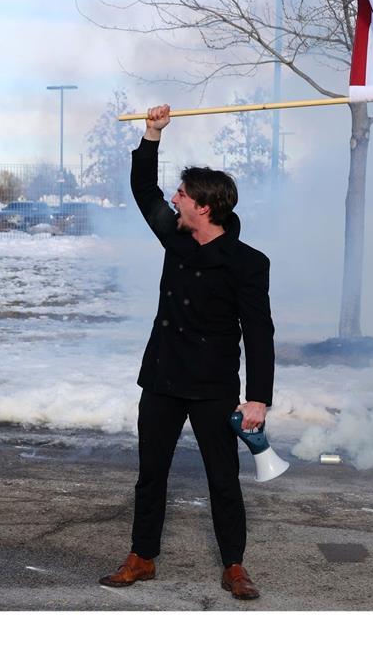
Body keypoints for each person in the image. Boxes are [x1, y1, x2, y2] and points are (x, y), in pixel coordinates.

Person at [99, 104, 275, 600]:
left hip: (213, 386)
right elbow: (143, 189)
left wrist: (258, 398)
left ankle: (234, 565)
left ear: (206, 207)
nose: (174, 199)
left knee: (223, 479)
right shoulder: (175, 238)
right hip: (161, 378)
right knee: (151, 474)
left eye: (183, 194)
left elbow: (259, 332)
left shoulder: (247, 263)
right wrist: (152, 134)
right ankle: (142, 557)